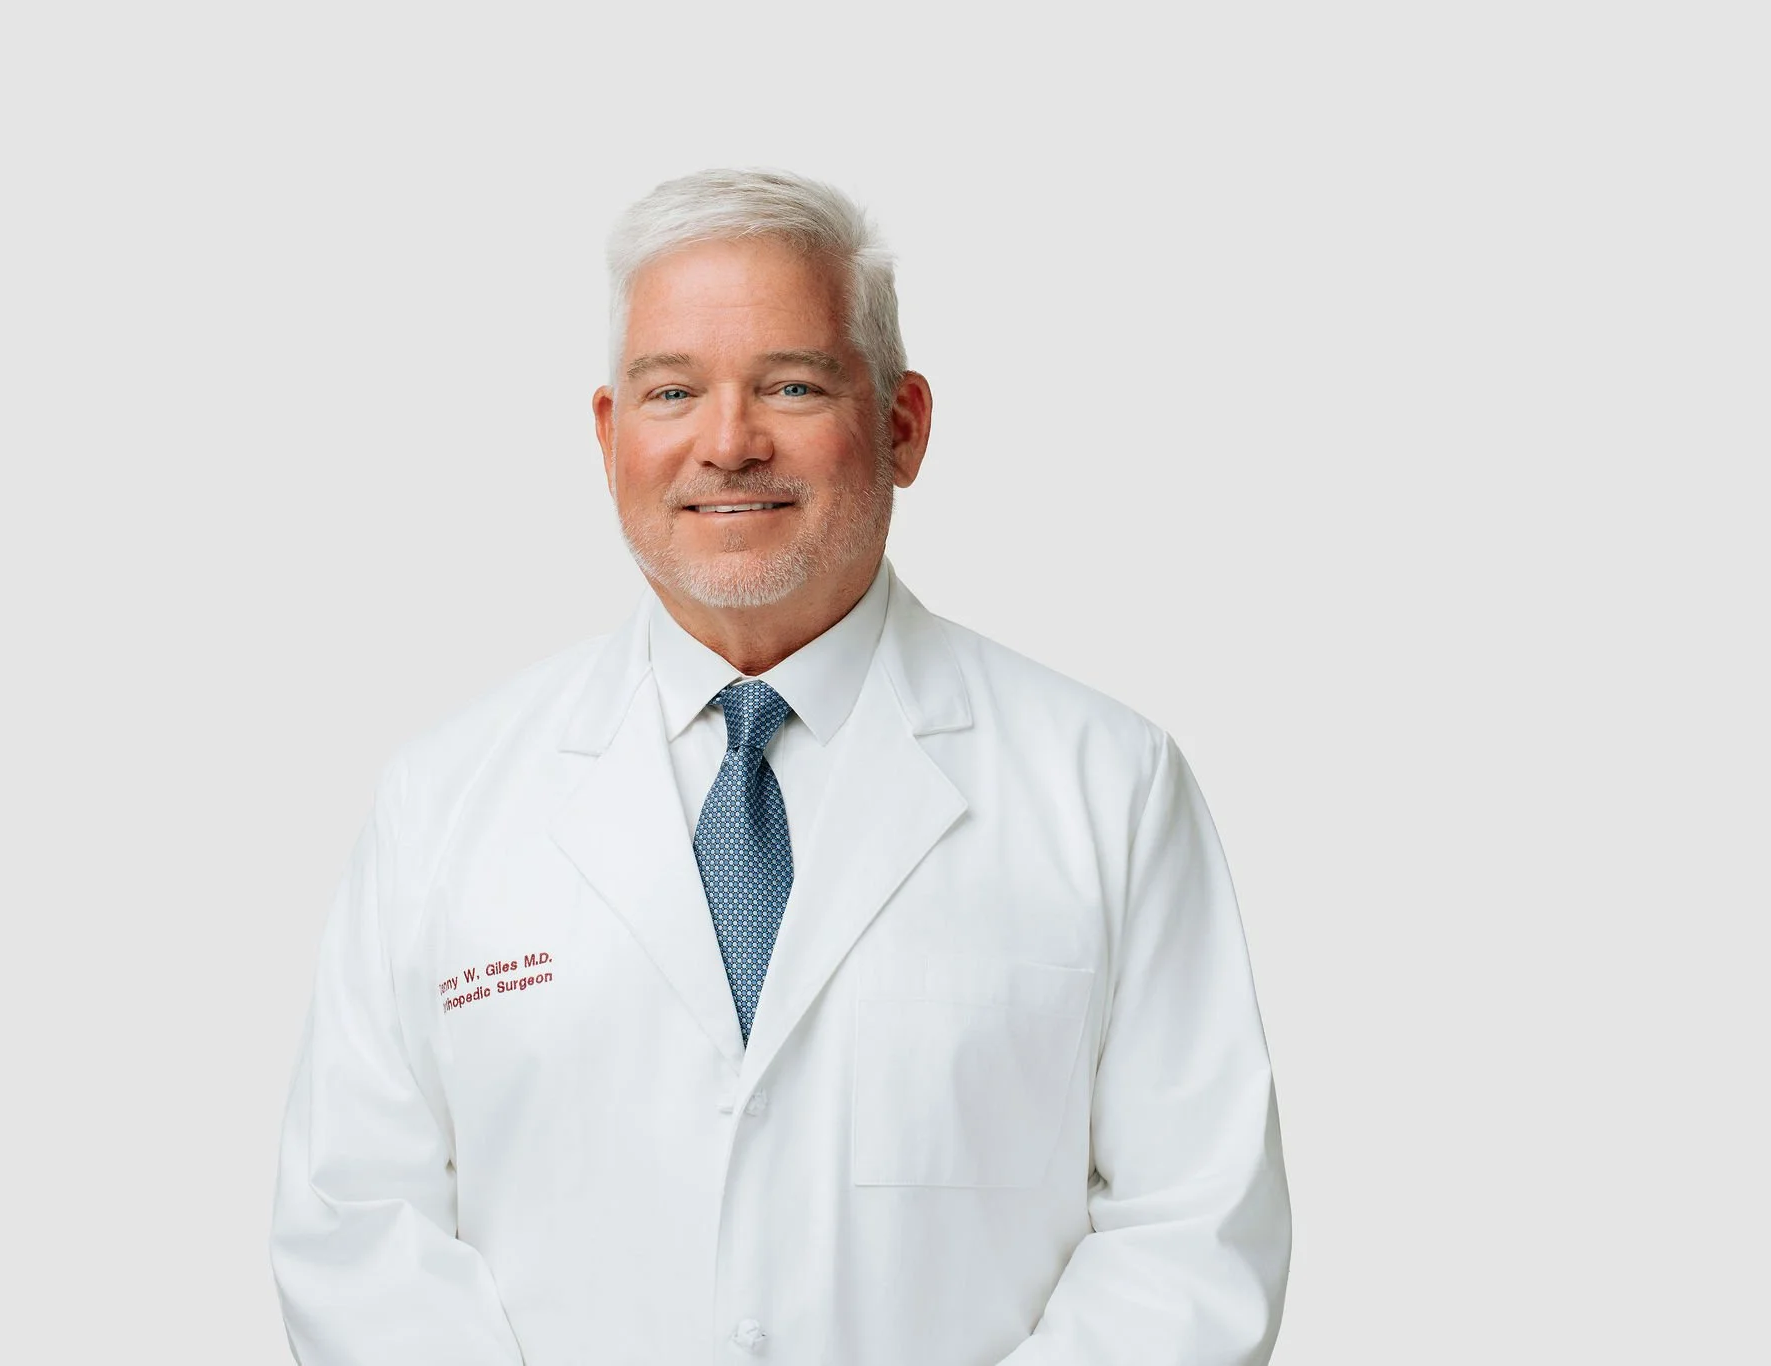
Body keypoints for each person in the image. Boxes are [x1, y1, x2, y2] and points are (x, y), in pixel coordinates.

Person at [270, 167, 1290, 1366]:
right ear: (609, 439)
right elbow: (358, 1229)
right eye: (671, 391)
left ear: (902, 424)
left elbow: (1192, 1229)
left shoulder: (1105, 783)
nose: (727, 443)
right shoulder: (442, 801)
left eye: (792, 385)